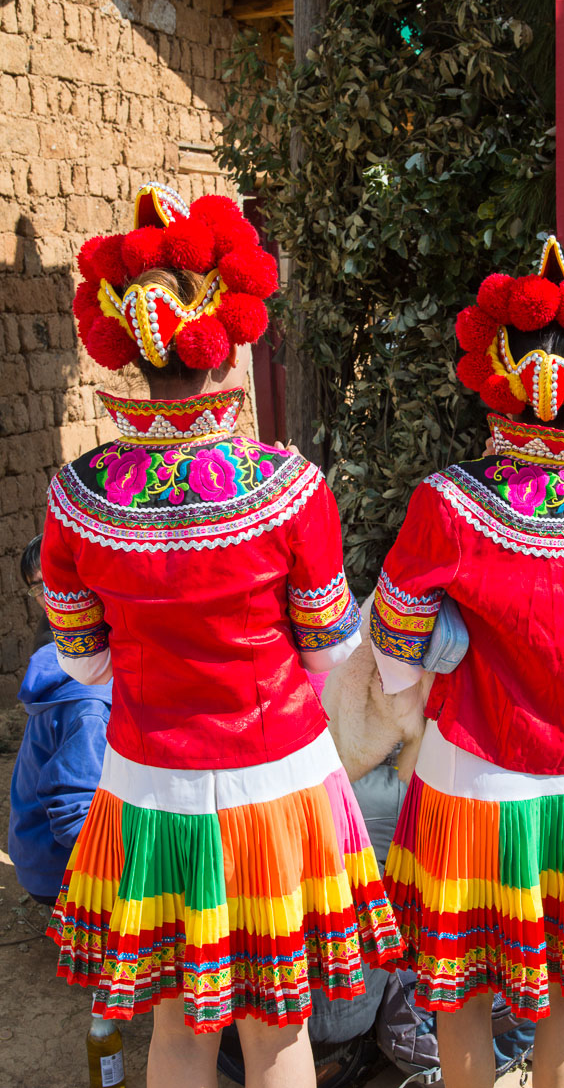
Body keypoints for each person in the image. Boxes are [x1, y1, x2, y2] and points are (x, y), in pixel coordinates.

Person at [41, 182, 403, 1088]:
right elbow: (329, 645)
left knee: (176, 1029)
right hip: (275, 780)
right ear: (230, 332)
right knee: (277, 1030)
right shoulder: (286, 485)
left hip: (148, 783)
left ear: (129, 344)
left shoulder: (77, 495)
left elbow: (80, 663)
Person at [369, 237, 564, 1088]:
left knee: (461, 987)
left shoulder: (450, 500)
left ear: (495, 375)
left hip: (469, 776)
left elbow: (393, 639)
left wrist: (438, 654)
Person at [9, 535, 111, 908]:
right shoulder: (88, 699)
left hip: (42, 859)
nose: (56, 599)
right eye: (41, 588)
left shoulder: (72, 654)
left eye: (60, 581)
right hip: (59, 873)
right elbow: (74, 812)